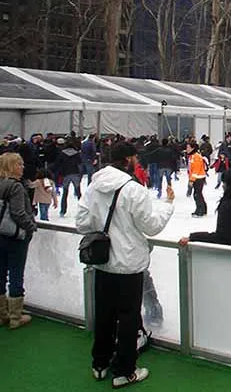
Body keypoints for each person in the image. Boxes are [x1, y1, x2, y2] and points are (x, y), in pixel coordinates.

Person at [76, 142, 175, 388]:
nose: (138, 162)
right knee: (129, 317)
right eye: (135, 158)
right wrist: (168, 205)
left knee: (104, 314)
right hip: (129, 264)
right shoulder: (133, 189)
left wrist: (102, 224)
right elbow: (151, 225)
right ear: (127, 159)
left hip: (103, 262)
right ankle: (124, 370)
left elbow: (81, 222)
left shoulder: (94, 186)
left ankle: (100, 363)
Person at [0, 152, 37, 330]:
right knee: (16, 274)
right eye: (19, 164)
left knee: (0, 273)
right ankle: (16, 316)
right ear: (12, 166)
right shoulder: (16, 187)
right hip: (15, 237)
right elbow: (18, 213)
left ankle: (2, 314)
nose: (23, 167)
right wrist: (31, 227)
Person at [186, 142, 207, 217]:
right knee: (198, 194)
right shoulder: (192, 156)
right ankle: (203, 209)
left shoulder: (196, 157)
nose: (187, 149)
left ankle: (200, 210)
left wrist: (192, 179)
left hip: (198, 178)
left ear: (192, 148)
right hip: (197, 177)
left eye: (188, 147)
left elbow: (196, 169)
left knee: (197, 195)